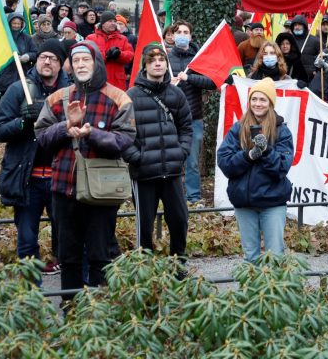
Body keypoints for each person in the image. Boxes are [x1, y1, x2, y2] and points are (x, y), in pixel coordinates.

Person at [34, 41, 136, 301]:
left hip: (101, 191)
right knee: (67, 256)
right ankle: (71, 311)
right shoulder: (58, 98)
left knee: (100, 254)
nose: (80, 65)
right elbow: (42, 137)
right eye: (76, 61)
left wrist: (93, 134)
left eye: (85, 60)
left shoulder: (119, 97)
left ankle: (97, 314)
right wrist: (64, 127)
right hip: (63, 189)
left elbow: (125, 140)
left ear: (96, 62)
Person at [0, 39, 70, 275]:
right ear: (37, 60)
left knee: (67, 241)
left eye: (53, 58)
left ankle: (71, 298)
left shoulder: (70, 92)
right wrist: (22, 122)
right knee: (27, 241)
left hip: (61, 178)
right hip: (28, 180)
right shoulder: (19, 89)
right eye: (43, 57)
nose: (47, 62)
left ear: (61, 64)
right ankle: (31, 299)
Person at [124, 44, 192, 260]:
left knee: (180, 220)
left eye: (161, 59)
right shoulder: (131, 95)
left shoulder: (176, 94)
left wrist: (181, 152)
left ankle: (177, 263)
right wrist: (137, 158)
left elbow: (186, 128)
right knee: (144, 226)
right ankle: (146, 267)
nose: (158, 63)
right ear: (145, 64)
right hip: (144, 173)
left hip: (171, 171)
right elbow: (123, 134)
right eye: (152, 60)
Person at [216, 78, 294, 262]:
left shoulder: (282, 131)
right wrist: (247, 156)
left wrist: (266, 151)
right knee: (250, 257)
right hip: (244, 202)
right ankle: (253, 292)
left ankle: (273, 292)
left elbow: (282, 167)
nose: (258, 104)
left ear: (270, 103)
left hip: (272, 202)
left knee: (275, 256)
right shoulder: (237, 129)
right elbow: (225, 163)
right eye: (254, 99)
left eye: (263, 100)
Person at [168, 20, 217, 204]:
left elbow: (212, 82)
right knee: (172, 159)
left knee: (193, 161)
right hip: (170, 118)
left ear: (190, 36)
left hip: (194, 117)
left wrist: (189, 78)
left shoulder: (199, 59)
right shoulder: (165, 58)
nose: (182, 34)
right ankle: (172, 196)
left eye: (185, 32)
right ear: (172, 36)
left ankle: (193, 196)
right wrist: (167, 82)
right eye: (178, 31)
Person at [85, 11, 135, 91]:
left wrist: (119, 54)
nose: (113, 23)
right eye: (110, 21)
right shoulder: (91, 38)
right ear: (103, 23)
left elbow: (130, 55)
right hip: (98, 82)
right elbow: (87, 56)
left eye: (114, 21)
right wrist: (106, 56)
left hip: (117, 83)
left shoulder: (122, 39)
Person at [0, 13, 37, 102]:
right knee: (6, 103)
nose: (16, 25)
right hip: (5, 78)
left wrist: (27, 56)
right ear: (9, 23)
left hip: (22, 76)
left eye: (18, 23)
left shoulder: (27, 38)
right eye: (14, 23)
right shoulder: (3, 38)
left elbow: (35, 53)